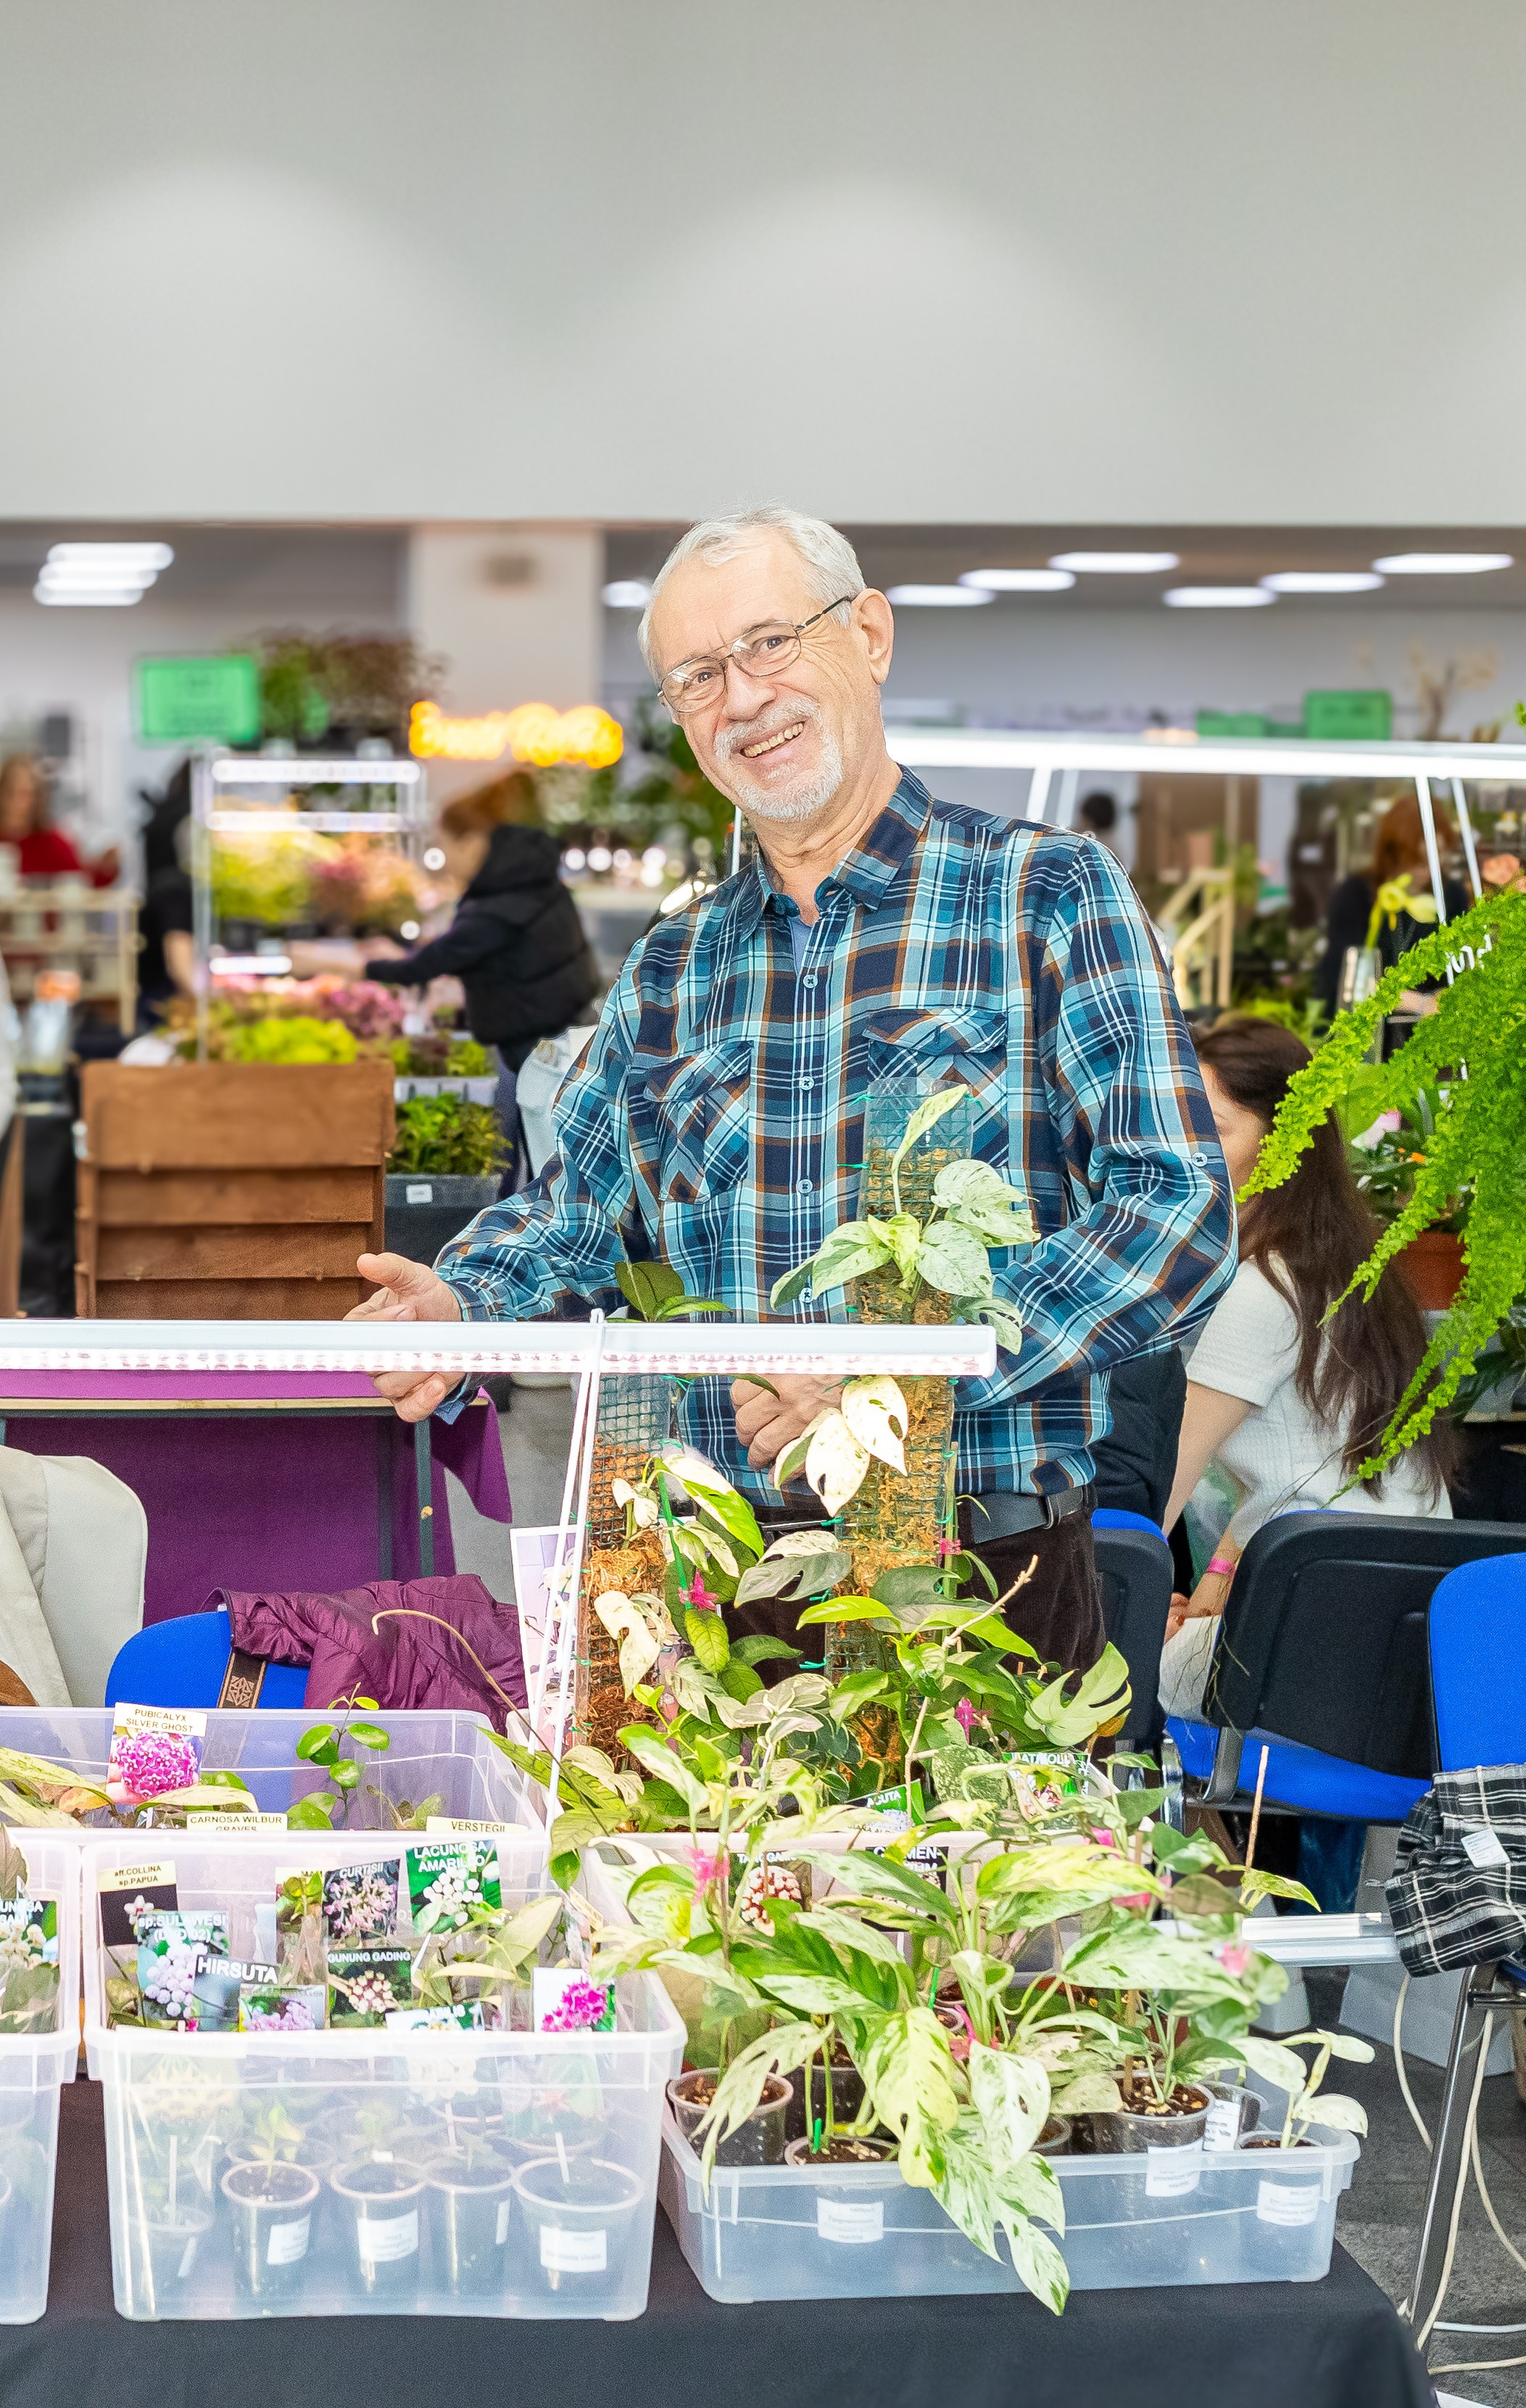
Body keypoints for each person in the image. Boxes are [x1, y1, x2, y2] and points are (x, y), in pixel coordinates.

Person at [348, 507, 1235, 1673]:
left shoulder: (1043, 895)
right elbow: (579, 1214)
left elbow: (1175, 1210)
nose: (742, 698)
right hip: (716, 1600)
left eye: (770, 642)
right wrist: (459, 1301)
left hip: (972, 1588)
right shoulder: (676, 964)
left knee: (967, 1869)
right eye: (698, 675)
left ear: (867, 633)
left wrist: (888, 1371)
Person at [1158, 1015, 1454, 1717]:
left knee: (1089, 1668)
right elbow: (1299, 1470)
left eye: (1215, 1128)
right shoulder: (1353, 1272)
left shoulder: (1259, 1290)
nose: (1185, 1150)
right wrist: (1205, 1597)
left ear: (1281, 1140)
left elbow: (1158, 1498)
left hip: (1300, 1652)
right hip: (1403, 1645)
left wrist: (1136, 1609)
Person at [363, 773, 598, 1073]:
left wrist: (362, 964)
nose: (444, 858)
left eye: (445, 845)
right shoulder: (531, 880)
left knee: (531, 1116)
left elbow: (422, 966)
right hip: (566, 1034)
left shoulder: (498, 906)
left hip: (540, 1052)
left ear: (472, 844)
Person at [1314, 792, 1468, 1018]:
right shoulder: (1357, 894)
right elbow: (1348, 974)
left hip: (1432, 1035)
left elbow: (1460, 968)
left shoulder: (1451, 895)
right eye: (1417, 860)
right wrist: (1422, 1004)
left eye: (1437, 857)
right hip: (1372, 1031)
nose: (1427, 870)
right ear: (1393, 854)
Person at [0, 755, 118, 886]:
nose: (20, 803)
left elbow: (85, 881)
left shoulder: (52, 844)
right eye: (12, 793)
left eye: (28, 794)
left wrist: (105, 868)